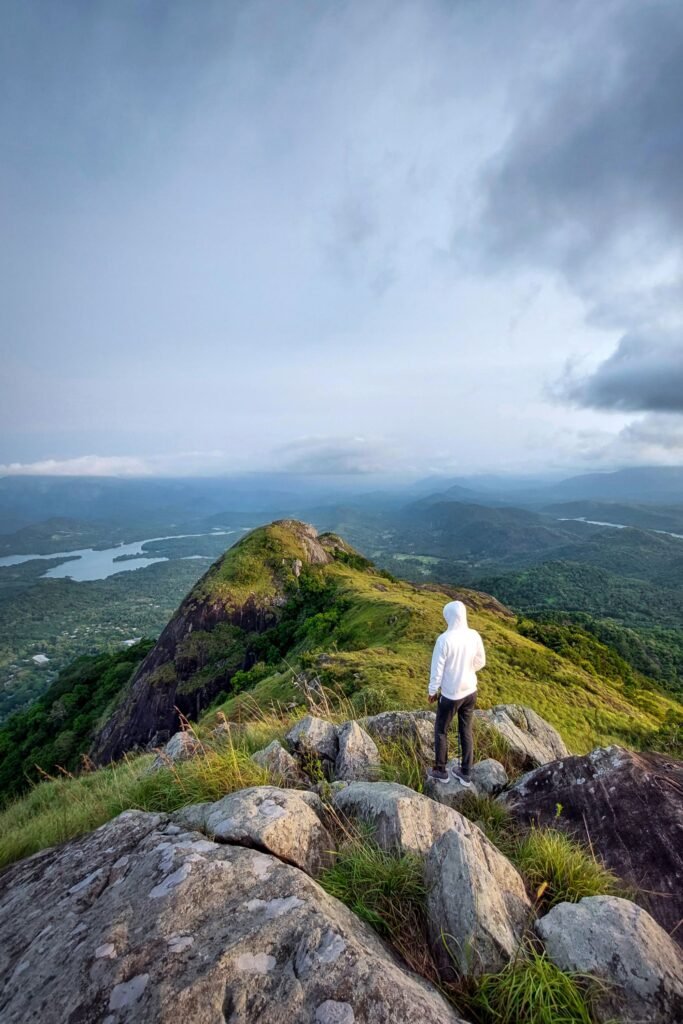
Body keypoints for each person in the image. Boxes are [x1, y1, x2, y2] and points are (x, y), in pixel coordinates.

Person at [427, 600, 486, 786]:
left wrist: (432, 691)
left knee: (441, 730)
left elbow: (437, 670)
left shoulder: (444, 640)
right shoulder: (474, 635)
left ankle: (440, 770)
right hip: (470, 691)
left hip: (451, 694)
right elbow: (480, 662)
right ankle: (466, 773)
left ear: (449, 617)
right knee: (465, 730)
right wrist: (466, 671)